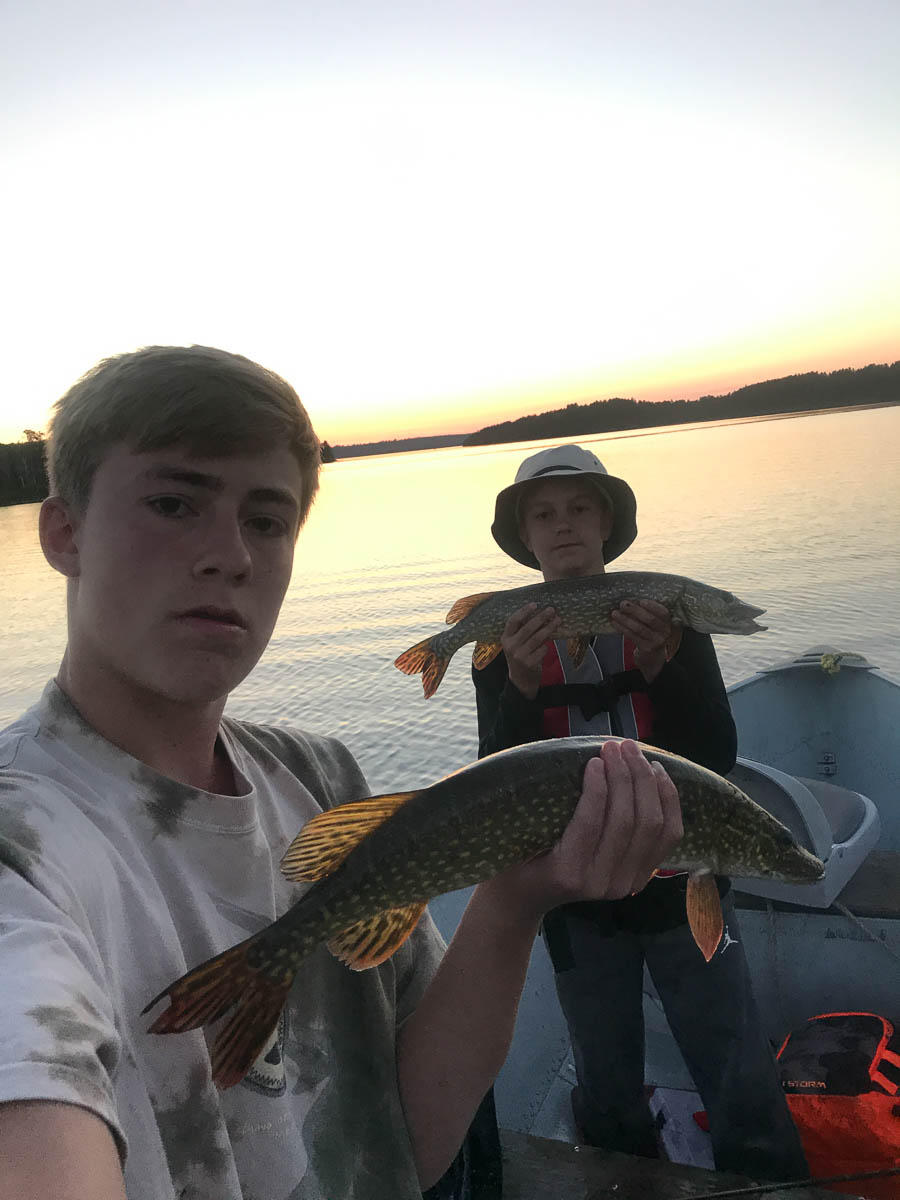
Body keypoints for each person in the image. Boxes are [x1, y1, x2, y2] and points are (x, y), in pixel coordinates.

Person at [0, 348, 684, 1200]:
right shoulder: (21, 845)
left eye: (267, 520)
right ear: (65, 534)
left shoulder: (322, 778)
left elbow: (397, 1145)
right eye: (173, 503)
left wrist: (513, 899)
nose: (230, 556)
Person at [473, 443, 810, 1182]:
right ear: (526, 537)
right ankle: (621, 1180)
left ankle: (768, 1180)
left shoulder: (671, 622)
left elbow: (715, 753)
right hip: (578, 893)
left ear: (607, 524)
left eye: (580, 508)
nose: (564, 526)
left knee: (734, 1060)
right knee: (604, 1070)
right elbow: (496, 778)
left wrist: (666, 667)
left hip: (684, 876)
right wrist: (523, 687)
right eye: (545, 515)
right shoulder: (502, 645)